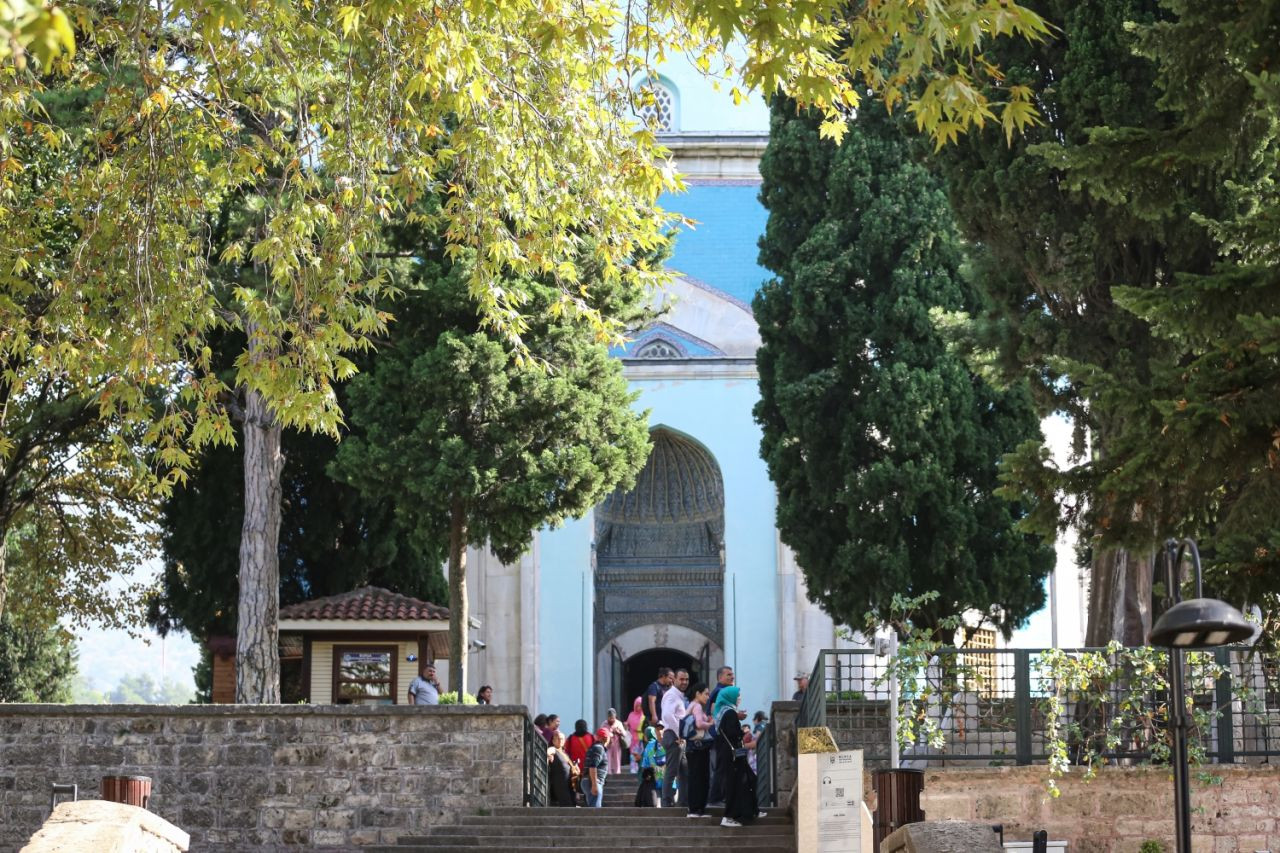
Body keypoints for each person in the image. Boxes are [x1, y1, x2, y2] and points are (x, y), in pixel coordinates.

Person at [713, 685, 763, 827]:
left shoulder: (726, 712)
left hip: (732, 755)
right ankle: (729, 816)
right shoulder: (729, 713)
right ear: (731, 696)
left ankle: (752, 810)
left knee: (748, 780)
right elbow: (732, 733)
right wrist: (742, 733)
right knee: (734, 785)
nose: (739, 698)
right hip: (732, 756)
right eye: (737, 695)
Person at [683, 682, 715, 818]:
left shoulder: (691, 706)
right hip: (698, 747)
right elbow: (699, 724)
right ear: (698, 694)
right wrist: (710, 723)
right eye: (706, 694)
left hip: (692, 747)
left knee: (696, 777)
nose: (708, 697)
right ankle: (696, 809)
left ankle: (696, 809)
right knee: (699, 778)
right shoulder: (696, 706)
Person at [659, 668, 690, 808]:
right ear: (674, 680)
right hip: (673, 736)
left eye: (686, 679)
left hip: (676, 736)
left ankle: (683, 801)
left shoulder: (678, 695)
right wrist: (679, 734)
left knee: (684, 771)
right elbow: (667, 716)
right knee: (672, 771)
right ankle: (667, 803)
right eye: (681, 679)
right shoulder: (672, 695)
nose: (684, 682)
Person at [579, 727, 611, 807]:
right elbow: (593, 766)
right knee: (595, 811)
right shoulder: (599, 748)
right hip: (593, 781)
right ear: (606, 738)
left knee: (593, 809)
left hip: (591, 781)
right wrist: (594, 785)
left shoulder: (595, 747)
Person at [546, 730, 576, 807]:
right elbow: (548, 751)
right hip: (560, 783)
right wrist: (548, 756)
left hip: (568, 783)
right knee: (566, 803)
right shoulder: (553, 749)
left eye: (562, 739)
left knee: (571, 803)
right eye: (558, 738)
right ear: (553, 741)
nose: (560, 740)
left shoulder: (564, 753)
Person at [638, 725, 665, 804]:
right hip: (665, 779)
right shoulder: (664, 743)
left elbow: (644, 765)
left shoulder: (649, 746)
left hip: (654, 779)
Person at [601, 708, 629, 775]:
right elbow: (600, 732)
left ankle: (617, 773)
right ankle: (608, 773)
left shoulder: (618, 723)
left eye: (613, 718)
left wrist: (618, 732)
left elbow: (624, 734)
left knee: (617, 758)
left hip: (617, 744)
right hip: (607, 744)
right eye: (610, 718)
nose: (611, 720)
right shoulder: (604, 723)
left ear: (615, 717)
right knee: (607, 758)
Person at [625, 696, 645, 772]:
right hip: (633, 739)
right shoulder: (631, 714)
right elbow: (628, 723)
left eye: (640, 706)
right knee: (633, 754)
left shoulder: (644, 715)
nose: (638, 708)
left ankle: (642, 769)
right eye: (637, 706)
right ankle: (633, 769)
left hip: (642, 738)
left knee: (642, 754)